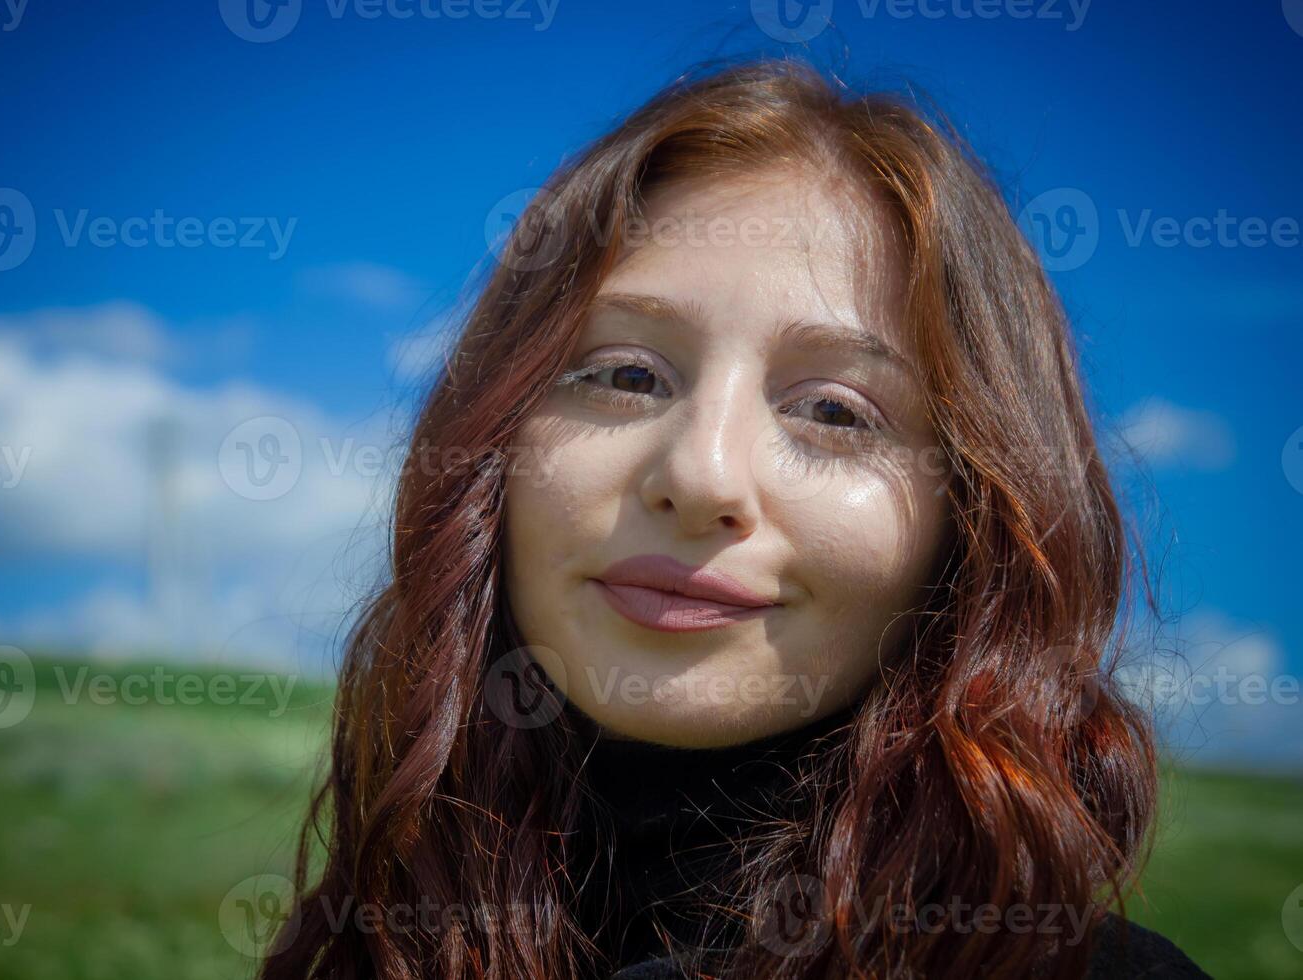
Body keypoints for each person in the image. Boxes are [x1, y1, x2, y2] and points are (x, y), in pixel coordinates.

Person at [258, 58, 1210, 979]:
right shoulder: (358, 944)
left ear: (967, 527)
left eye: (834, 410)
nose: (701, 475)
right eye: (627, 375)